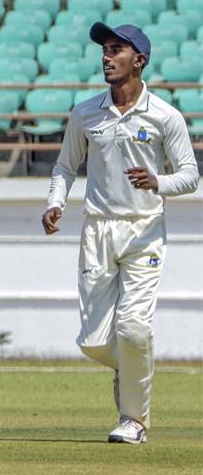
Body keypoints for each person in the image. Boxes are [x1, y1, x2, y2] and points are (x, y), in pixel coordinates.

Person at [42, 23, 198, 444]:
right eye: (105, 50)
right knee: (93, 342)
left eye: (117, 50)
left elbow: (190, 176)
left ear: (139, 60)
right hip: (97, 229)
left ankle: (134, 420)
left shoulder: (166, 116)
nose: (107, 57)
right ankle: (133, 366)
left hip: (144, 229)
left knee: (133, 329)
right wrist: (55, 201)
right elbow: (64, 166)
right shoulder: (85, 112)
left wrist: (158, 182)